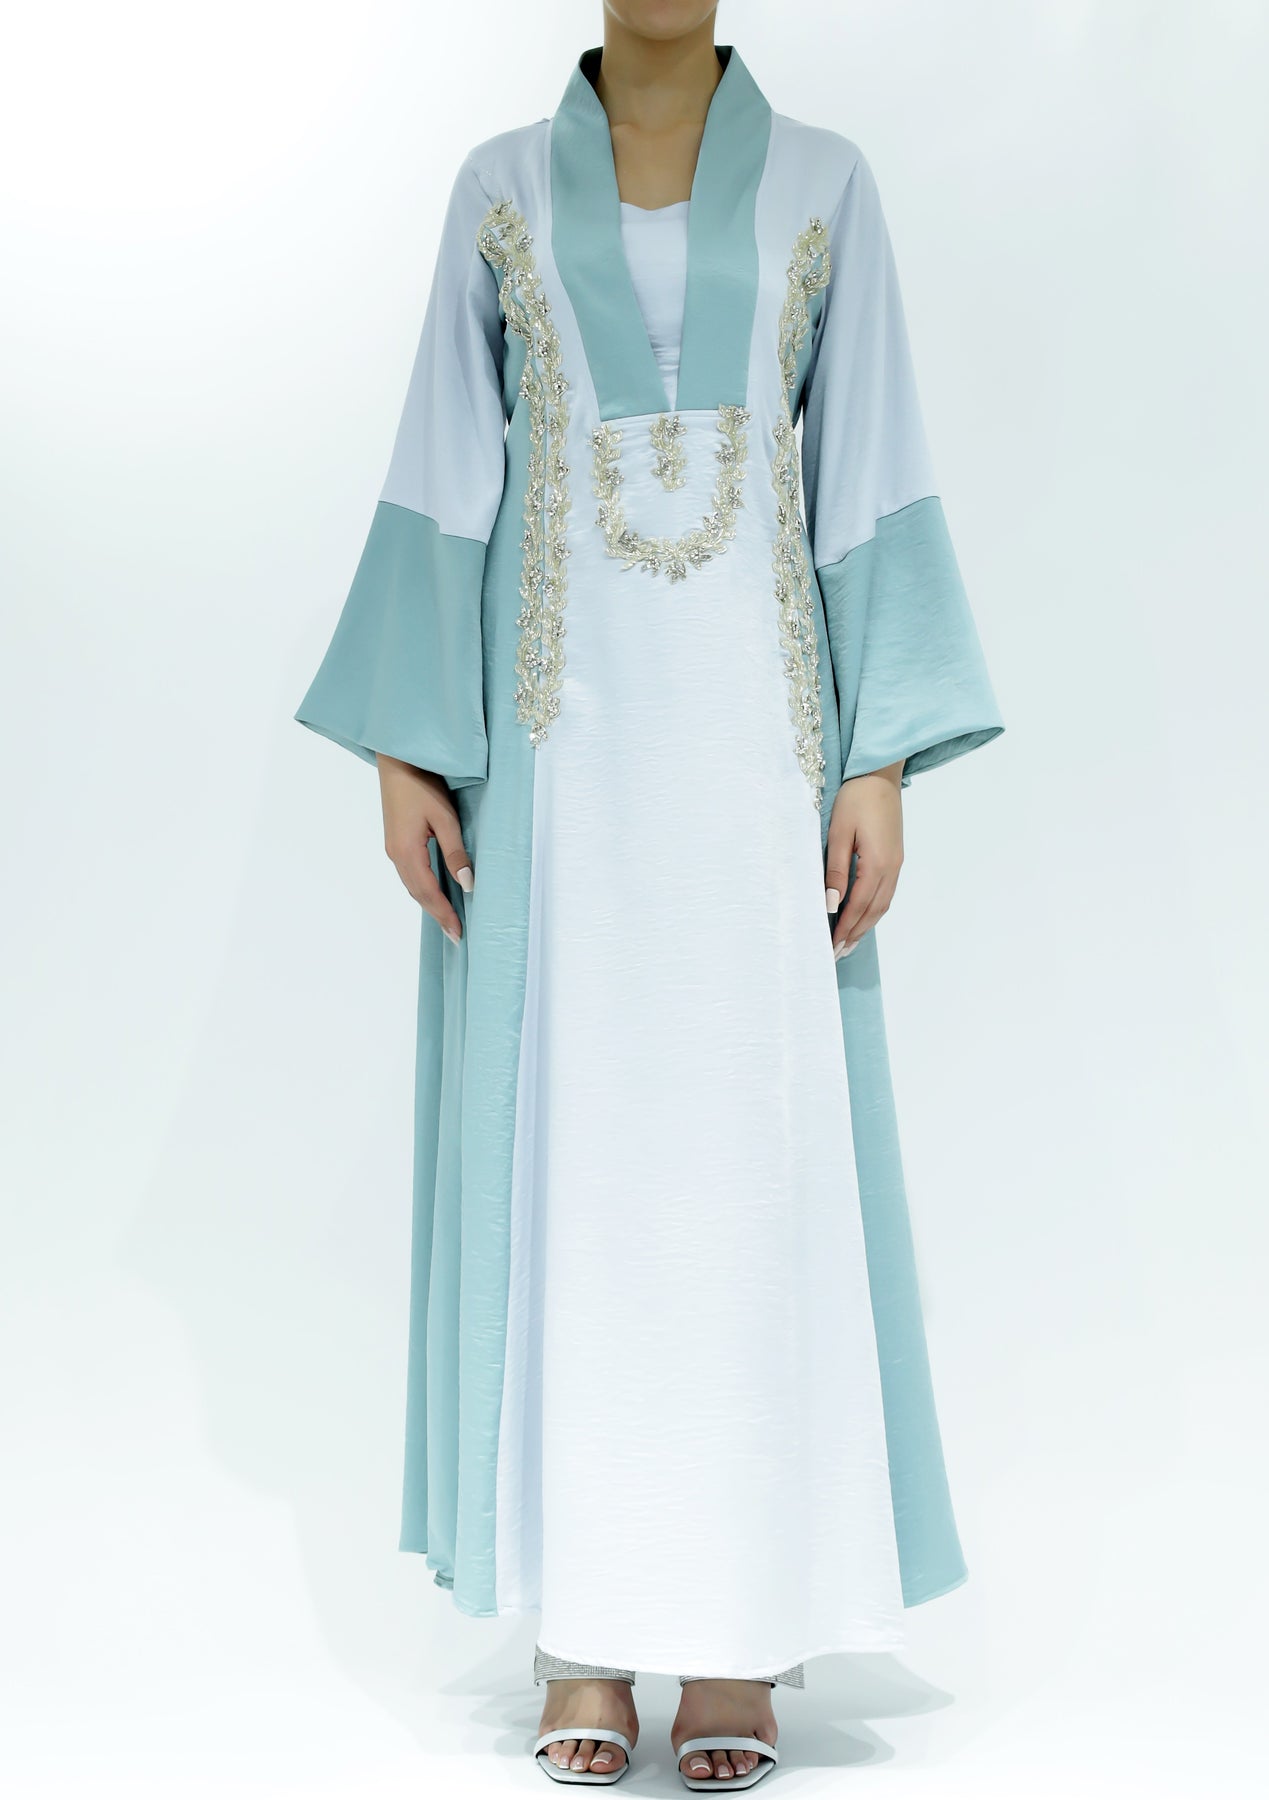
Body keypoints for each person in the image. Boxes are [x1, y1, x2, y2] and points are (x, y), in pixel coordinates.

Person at [294, 5, 1003, 1789]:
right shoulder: (498, 190)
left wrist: (874, 760)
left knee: (747, 1171)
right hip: (558, 767)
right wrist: (406, 746)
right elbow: (443, 467)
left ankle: (738, 1639)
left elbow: (869, 469)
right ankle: (587, 1637)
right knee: (576, 1165)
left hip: (759, 767)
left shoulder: (827, 184)